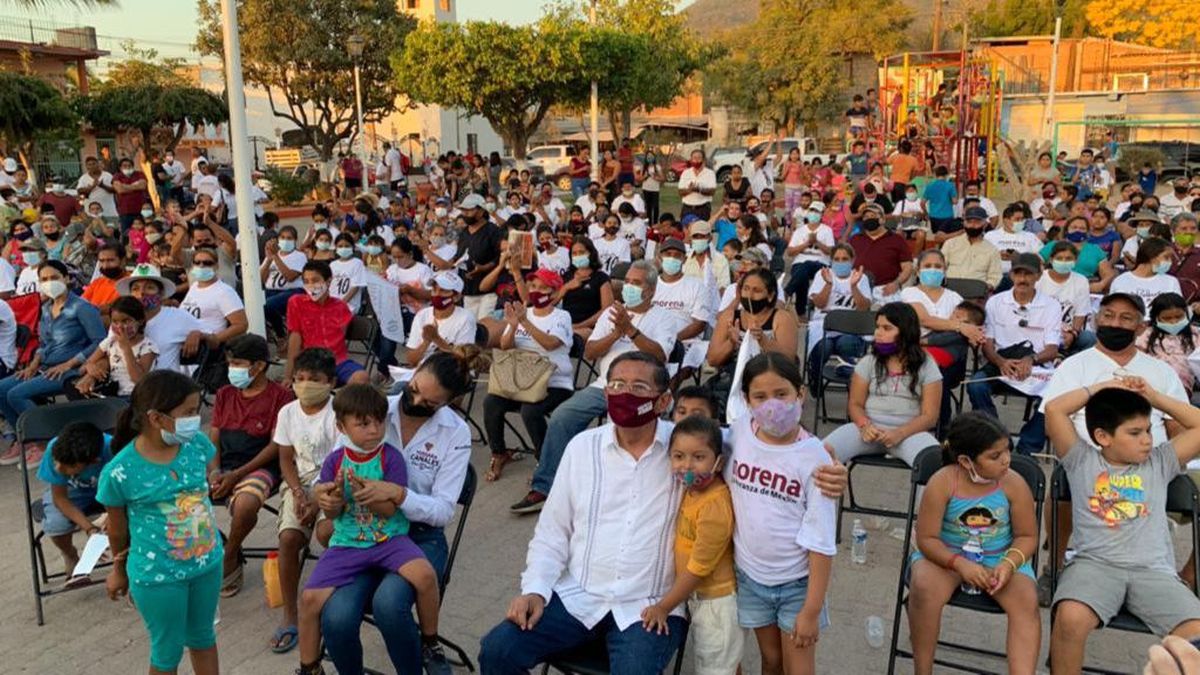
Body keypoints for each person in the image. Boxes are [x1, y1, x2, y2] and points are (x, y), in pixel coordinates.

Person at [480, 353, 688, 672]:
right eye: (616, 385)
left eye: (638, 387)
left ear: (663, 401)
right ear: (605, 394)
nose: (625, 394)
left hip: (650, 604)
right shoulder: (582, 447)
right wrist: (534, 590)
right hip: (580, 595)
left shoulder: (686, 453)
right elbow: (553, 531)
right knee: (498, 650)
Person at [319, 351, 475, 675]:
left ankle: (419, 660)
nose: (414, 400)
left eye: (429, 402)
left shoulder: (455, 432)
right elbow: (334, 469)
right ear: (414, 372)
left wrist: (400, 495)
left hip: (420, 536)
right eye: (414, 388)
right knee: (336, 617)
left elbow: (443, 511)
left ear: (448, 402)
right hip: (363, 531)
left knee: (389, 605)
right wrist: (327, 499)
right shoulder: (373, 410)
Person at [1045, 382, 1200, 674]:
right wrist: (1102, 387)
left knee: (1195, 634)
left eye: (1148, 431)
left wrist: (1154, 397)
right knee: (1070, 618)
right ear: (1102, 436)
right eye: (1135, 433)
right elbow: (1054, 410)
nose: (1147, 441)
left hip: (1153, 571)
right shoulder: (1081, 460)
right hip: (1094, 566)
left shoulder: (1160, 462)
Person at [296, 384, 450, 675]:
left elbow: (390, 511)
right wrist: (333, 501)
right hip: (347, 542)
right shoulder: (334, 461)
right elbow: (332, 514)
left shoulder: (390, 458)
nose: (374, 430)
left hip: (388, 538)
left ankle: (431, 643)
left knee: (425, 576)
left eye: (379, 422)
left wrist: (368, 494)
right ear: (341, 427)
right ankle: (309, 666)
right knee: (309, 600)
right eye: (363, 424)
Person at [510, 261, 677, 514]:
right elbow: (590, 352)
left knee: (620, 430)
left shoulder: (664, 318)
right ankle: (545, 486)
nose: (629, 287)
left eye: (636, 283)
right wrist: (615, 334)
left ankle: (617, 491)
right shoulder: (612, 313)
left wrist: (630, 331)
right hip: (605, 386)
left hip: (641, 391)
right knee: (562, 417)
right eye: (627, 282)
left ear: (651, 290)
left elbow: (660, 355)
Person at [98, 370, 220, 675]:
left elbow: (207, 475)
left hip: (207, 565)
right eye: (188, 413)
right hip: (159, 577)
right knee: (167, 651)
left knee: (204, 638)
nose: (196, 419)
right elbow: (117, 529)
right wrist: (118, 570)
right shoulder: (120, 472)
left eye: (196, 410)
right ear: (156, 418)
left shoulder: (196, 444)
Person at [728, 352, 835, 675]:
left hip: (796, 584)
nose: (772, 405)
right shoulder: (737, 434)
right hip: (750, 578)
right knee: (771, 660)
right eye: (760, 397)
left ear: (800, 394)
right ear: (746, 400)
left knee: (798, 667)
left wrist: (811, 610)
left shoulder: (814, 458)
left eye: (781, 394)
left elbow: (821, 540)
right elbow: (693, 445)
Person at [907, 413, 1039, 675]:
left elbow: (1027, 536)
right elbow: (926, 539)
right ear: (966, 461)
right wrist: (959, 564)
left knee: (1027, 599)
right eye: (995, 456)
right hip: (946, 555)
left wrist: (1009, 564)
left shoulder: (1013, 483)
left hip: (1000, 556)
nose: (1006, 460)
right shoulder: (943, 482)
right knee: (923, 587)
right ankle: (922, 670)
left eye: (1007, 450)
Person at [640, 415, 741, 675]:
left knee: (716, 668)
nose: (687, 466)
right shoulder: (692, 491)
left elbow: (699, 568)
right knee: (721, 665)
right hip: (697, 598)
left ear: (718, 462)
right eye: (678, 456)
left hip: (716, 604)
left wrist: (663, 607)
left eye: (698, 457)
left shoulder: (714, 505)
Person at [207, 333, 294, 597]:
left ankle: (231, 554)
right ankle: (211, 547)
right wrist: (215, 470)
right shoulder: (225, 394)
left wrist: (237, 475)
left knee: (245, 504)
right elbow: (214, 437)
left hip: (261, 465)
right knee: (176, 497)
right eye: (230, 363)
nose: (232, 369)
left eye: (238, 363)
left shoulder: (281, 397)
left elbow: (275, 446)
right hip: (224, 463)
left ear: (259, 366)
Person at [270, 348, 340, 655]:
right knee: (288, 538)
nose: (305, 385)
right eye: (299, 378)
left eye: (314, 379)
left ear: (331, 382)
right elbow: (286, 459)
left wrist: (317, 501)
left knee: (327, 533)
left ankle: (332, 603)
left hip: (335, 483)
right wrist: (299, 493)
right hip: (299, 482)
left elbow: (341, 462)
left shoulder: (339, 413)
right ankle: (291, 614)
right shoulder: (288, 412)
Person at [0, 261, 104, 466]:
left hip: (71, 370)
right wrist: (33, 364)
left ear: (67, 278)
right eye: (44, 279)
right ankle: (26, 440)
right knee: (2, 389)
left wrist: (70, 363)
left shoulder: (82, 308)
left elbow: (99, 342)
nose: (49, 283)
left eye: (54, 277)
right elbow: (44, 344)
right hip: (46, 367)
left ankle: (45, 442)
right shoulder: (47, 308)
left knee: (16, 394)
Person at [482, 269, 574, 482]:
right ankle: (499, 453)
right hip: (520, 380)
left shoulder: (561, 316)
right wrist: (513, 326)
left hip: (554, 382)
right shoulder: (524, 313)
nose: (535, 291)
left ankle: (545, 460)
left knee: (530, 411)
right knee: (491, 403)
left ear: (554, 292)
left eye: (543, 287)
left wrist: (524, 322)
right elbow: (505, 346)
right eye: (532, 286)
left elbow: (550, 344)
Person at [824, 302, 942, 465]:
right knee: (821, 455)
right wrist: (864, 426)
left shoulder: (927, 365)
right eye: (877, 327)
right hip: (868, 430)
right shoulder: (869, 362)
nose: (878, 333)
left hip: (910, 433)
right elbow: (855, 404)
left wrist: (900, 433)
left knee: (934, 462)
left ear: (906, 332)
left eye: (887, 328)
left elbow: (930, 417)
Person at [966, 254, 1061, 455]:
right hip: (1001, 362)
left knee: (1056, 396)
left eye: (1029, 274)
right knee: (976, 385)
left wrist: (1031, 360)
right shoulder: (995, 302)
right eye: (1018, 273)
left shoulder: (1051, 305)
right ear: (1011, 275)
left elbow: (1052, 349)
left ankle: (1027, 447)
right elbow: (987, 345)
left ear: (1038, 276)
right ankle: (997, 438)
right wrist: (1001, 362)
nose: (1022, 279)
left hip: (1036, 365)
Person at [36, 421, 112, 585]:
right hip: (71, 491)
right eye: (57, 462)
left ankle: (124, 562)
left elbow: (124, 493)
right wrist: (90, 528)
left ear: (94, 461)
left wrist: (111, 516)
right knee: (56, 524)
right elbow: (60, 498)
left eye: (68, 466)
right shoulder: (56, 449)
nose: (58, 468)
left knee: (131, 516)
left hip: (109, 488)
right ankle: (70, 554)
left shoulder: (113, 449)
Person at [282, 261, 368, 387]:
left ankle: (342, 398)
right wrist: (288, 375)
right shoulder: (296, 302)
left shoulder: (340, 306)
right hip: (311, 363)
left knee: (361, 378)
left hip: (338, 361)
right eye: (306, 281)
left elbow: (341, 337)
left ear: (328, 281)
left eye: (315, 280)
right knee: (314, 383)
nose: (311, 285)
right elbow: (295, 339)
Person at [116, 264, 206, 373]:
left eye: (149, 287)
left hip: (165, 382)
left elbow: (215, 339)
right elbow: (109, 349)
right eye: (135, 288)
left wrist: (199, 334)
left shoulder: (177, 316)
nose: (141, 293)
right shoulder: (120, 319)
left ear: (161, 293)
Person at [806, 244, 872, 383]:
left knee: (845, 343)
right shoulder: (822, 275)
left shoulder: (861, 278)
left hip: (851, 329)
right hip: (823, 327)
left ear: (852, 260)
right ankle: (815, 379)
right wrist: (828, 284)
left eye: (845, 259)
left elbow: (863, 308)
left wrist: (854, 287)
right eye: (836, 259)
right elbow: (819, 304)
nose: (840, 262)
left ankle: (849, 378)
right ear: (831, 260)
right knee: (824, 347)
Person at [69, 296, 157, 399]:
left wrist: (126, 348)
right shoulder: (110, 342)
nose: (120, 326)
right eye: (115, 322)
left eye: (126, 321)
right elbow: (83, 367)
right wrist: (90, 367)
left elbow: (138, 379)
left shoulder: (148, 347)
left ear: (140, 321)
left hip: (137, 396)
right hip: (113, 395)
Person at [405, 270, 477, 368]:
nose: (437, 294)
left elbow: (463, 361)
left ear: (456, 297)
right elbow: (411, 361)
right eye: (434, 290)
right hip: (423, 371)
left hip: (450, 372)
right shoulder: (422, 315)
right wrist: (426, 342)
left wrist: (436, 339)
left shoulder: (466, 318)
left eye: (443, 291)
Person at [1037, 242, 1096, 356]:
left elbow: (1080, 314)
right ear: (1051, 260)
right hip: (1041, 330)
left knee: (1089, 338)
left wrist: (1072, 334)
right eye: (1059, 258)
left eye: (1068, 258)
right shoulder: (1039, 279)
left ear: (1075, 261)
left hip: (1068, 331)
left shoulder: (1081, 281)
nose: (1063, 262)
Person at [848, 205, 913, 304]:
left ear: (882, 219)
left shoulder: (897, 240)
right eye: (866, 217)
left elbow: (907, 267)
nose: (869, 219)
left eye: (872, 216)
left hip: (886, 290)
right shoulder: (855, 239)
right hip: (858, 288)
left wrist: (896, 283)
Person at [454, 193, 505, 319]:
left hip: (488, 292)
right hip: (468, 292)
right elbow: (460, 256)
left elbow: (500, 257)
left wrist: (484, 267)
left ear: (481, 211)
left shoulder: (493, 231)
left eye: (469, 210)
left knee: (485, 325)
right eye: (463, 210)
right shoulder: (464, 233)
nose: (465, 214)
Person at [1040, 215, 1116, 294]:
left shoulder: (1095, 250)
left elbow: (1108, 274)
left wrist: (1101, 285)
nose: (1078, 230)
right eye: (1074, 227)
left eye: (1082, 228)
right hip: (1054, 285)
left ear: (1087, 232)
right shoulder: (1053, 245)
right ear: (1067, 230)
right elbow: (1036, 263)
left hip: (1086, 288)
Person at [1109, 237, 1181, 317]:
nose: (1170, 261)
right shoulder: (1121, 281)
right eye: (1166, 257)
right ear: (1152, 256)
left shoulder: (1171, 282)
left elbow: (1178, 310)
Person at [1140, 293, 1198, 390]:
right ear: (1156, 318)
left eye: (1179, 317)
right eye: (1167, 318)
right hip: (1153, 386)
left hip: (1185, 387)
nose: (1173, 322)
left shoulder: (1195, 335)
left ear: (1186, 314)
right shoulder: (1145, 336)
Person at [261, 225, 308, 338]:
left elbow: (290, 277)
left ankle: (281, 335)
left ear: (295, 240)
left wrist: (276, 257)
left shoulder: (299, 256)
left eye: (289, 238)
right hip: (271, 290)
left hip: (292, 291)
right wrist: (268, 260)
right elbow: (261, 279)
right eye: (282, 237)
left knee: (268, 305)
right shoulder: (272, 255)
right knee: (252, 303)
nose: (285, 240)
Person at [785, 209, 835, 311]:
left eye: (817, 212)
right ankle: (801, 310)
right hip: (799, 263)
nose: (814, 214)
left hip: (821, 263)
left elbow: (830, 251)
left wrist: (817, 242)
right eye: (812, 211)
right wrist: (807, 244)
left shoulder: (827, 230)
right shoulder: (799, 231)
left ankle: (788, 292)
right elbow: (790, 252)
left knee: (806, 266)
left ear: (821, 215)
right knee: (802, 275)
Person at [942, 206, 1002, 290]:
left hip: (976, 293)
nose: (972, 225)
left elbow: (995, 276)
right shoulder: (950, 244)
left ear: (985, 225)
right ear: (964, 223)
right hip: (950, 290)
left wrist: (985, 288)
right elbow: (940, 267)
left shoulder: (992, 250)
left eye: (977, 222)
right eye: (969, 222)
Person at [683, 218, 732, 291]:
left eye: (702, 236)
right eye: (695, 237)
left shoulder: (720, 260)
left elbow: (724, 288)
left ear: (710, 238)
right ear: (691, 239)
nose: (699, 240)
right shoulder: (686, 260)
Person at [81, 242, 128, 313]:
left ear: (123, 261)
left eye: (110, 260)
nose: (105, 266)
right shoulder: (97, 282)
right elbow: (80, 304)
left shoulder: (131, 284)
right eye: (102, 261)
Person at [112, 158, 151, 232]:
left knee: (144, 232)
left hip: (141, 210)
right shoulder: (117, 176)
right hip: (125, 211)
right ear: (120, 168)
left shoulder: (139, 174)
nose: (127, 167)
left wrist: (124, 186)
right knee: (127, 233)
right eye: (124, 166)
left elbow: (142, 186)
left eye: (129, 166)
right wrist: (135, 186)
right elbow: (119, 190)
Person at [678, 149, 717, 220]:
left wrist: (699, 190)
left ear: (703, 160)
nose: (696, 160)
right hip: (687, 208)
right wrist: (690, 190)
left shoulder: (710, 173)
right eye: (694, 158)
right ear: (691, 159)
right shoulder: (686, 173)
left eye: (699, 158)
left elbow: (712, 191)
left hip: (703, 209)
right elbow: (680, 192)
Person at [922, 165, 958, 237]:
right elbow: (955, 201)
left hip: (934, 216)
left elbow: (922, 203)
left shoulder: (930, 186)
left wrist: (926, 213)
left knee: (937, 236)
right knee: (946, 237)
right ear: (946, 175)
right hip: (947, 216)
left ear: (936, 175)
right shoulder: (950, 186)